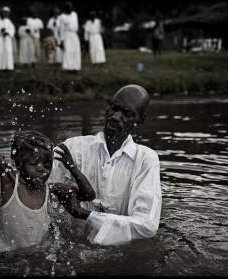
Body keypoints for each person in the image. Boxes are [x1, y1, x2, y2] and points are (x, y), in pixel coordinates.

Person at [49, 84, 162, 246]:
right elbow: (42, 188)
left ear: (141, 119)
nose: (116, 117)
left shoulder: (145, 159)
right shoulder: (73, 148)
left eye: (127, 114)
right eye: (114, 108)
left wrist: (83, 213)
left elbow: (147, 226)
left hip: (116, 253)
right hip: (71, 246)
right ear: (108, 108)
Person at [0, 6, 15, 71]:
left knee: (8, 51)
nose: (4, 14)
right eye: (3, 13)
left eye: (6, 13)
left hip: (7, 38)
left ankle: (8, 67)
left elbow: (12, 29)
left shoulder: (8, 21)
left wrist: (8, 33)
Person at [59, 2, 81, 72]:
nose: (70, 8)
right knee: (68, 51)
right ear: (65, 8)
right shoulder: (62, 16)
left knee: (76, 50)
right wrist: (61, 40)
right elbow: (61, 29)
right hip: (67, 35)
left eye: (71, 7)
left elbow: (76, 26)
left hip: (74, 34)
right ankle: (69, 68)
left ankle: (76, 67)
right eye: (68, 7)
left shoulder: (75, 14)